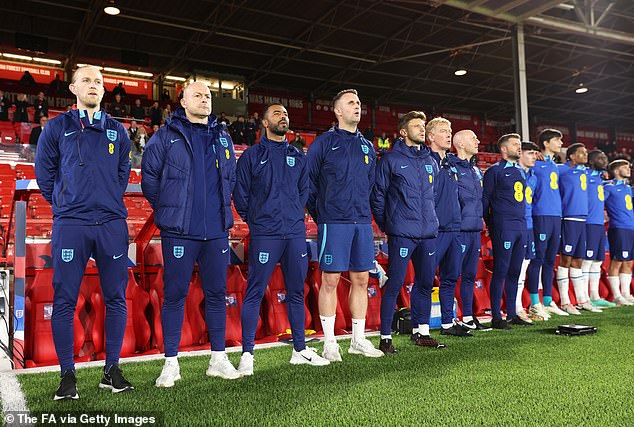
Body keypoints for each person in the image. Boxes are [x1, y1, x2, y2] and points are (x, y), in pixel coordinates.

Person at [34, 65, 133, 400]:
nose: (94, 85)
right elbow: (45, 177)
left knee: (117, 297)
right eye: (87, 80)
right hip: (71, 224)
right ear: (73, 88)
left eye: (99, 81)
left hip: (111, 224)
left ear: (104, 91)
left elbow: (122, 175)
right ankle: (67, 376)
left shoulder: (117, 131)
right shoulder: (55, 128)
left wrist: (104, 202)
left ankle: (111, 370)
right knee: (64, 300)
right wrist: (67, 203)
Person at [142, 81, 239, 387]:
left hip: (216, 232)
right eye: (197, 95)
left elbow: (230, 178)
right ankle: (171, 363)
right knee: (174, 296)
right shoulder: (166, 136)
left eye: (208, 96)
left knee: (216, 295)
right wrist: (170, 211)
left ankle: (218, 359)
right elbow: (150, 180)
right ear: (182, 101)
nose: (204, 99)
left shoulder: (222, 136)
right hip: (180, 232)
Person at [234, 104, 329, 374]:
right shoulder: (252, 156)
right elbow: (240, 196)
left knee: (297, 291)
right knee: (254, 292)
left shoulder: (297, 155)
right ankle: (247, 354)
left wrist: (293, 218)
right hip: (265, 234)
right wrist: (258, 221)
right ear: (264, 123)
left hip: (295, 234)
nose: (283, 116)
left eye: (285, 114)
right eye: (276, 114)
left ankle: (299, 349)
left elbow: (304, 192)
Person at [306, 89, 383, 361]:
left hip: (361, 221)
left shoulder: (367, 146)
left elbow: (371, 185)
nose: (357, 107)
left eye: (359, 103)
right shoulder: (324, 143)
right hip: (333, 221)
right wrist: (323, 215)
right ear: (337, 111)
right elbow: (308, 183)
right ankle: (329, 342)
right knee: (330, 280)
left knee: (362, 279)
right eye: (351, 103)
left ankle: (358, 340)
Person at [371, 111, 444, 353]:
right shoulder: (390, 160)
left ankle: (421, 332)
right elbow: (378, 196)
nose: (422, 130)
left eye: (423, 126)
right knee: (395, 283)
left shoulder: (430, 161)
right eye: (416, 126)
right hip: (402, 232)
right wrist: (389, 224)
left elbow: (433, 197)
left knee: (425, 282)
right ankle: (385, 337)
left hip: (427, 233)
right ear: (403, 132)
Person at [426, 118, 471, 337]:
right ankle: (420, 326)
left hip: (455, 229)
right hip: (435, 230)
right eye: (443, 131)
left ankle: (447, 323)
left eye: (450, 131)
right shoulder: (425, 161)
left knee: (451, 277)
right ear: (431, 137)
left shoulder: (452, 163)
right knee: (425, 279)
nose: (448, 134)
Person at [482, 133, 532, 329]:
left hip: (521, 225)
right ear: (503, 149)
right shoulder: (495, 171)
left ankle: (512, 313)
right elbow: (485, 201)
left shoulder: (520, 171)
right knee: (501, 270)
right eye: (514, 144)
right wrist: (490, 224)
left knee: (515, 271)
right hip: (504, 226)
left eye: (519, 144)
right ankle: (496, 316)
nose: (519, 147)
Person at [526, 129, 567, 320]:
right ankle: (535, 303)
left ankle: (548, 300)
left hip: (555, 216)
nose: (560, 143)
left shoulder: (554, 166)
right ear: (545, 143)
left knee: (551, 260)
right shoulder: (535, 164)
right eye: (557, 140)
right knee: (538, 259)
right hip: (540, 215)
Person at [453, 130, 491, 331]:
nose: (477, 141)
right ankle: (448, 319)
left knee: (469, 275)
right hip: (457, 231)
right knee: (450, 276)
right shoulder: (450, 167)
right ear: (460, 144)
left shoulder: (475, 170)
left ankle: (467, 317)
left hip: (475, 229)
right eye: (472, 138)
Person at [555, 143, 590, 315]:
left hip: (583, 219)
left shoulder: (585, 171)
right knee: (566, 260)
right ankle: (565, 301)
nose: (586, 155)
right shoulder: (561, 169)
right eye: (582, 153)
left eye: (586, 152)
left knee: (578, 261)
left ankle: (582, 299)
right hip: (569, 217)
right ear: (571, 156)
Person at [582, 150, 616, 308]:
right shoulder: (584, 175)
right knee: (587, 261)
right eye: (600, 157)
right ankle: (583, 297)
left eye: (605, 156)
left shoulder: (600, 178)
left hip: (599, 224)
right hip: (587, 223)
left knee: (597, 261)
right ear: (590, 160)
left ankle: (594, 296)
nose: (605, 159)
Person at [603, 159, 634, 306]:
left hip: (631, 228)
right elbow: (598, 202)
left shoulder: (629, 188)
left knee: (628, 262)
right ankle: (616, 295)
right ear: (616, 171)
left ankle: (626, 294)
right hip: (618, 228)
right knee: (617, 261)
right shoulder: (609, 187)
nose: (628, 169)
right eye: (625, 167)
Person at [515, 142, 539, 323]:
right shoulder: (510, 173)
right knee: (514, 268)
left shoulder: (533, 177)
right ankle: (513, 308)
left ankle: (518, 307)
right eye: (530, 153)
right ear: (519, 153)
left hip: (529, 225)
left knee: (524, 265)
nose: (534, 157)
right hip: (513, 226)